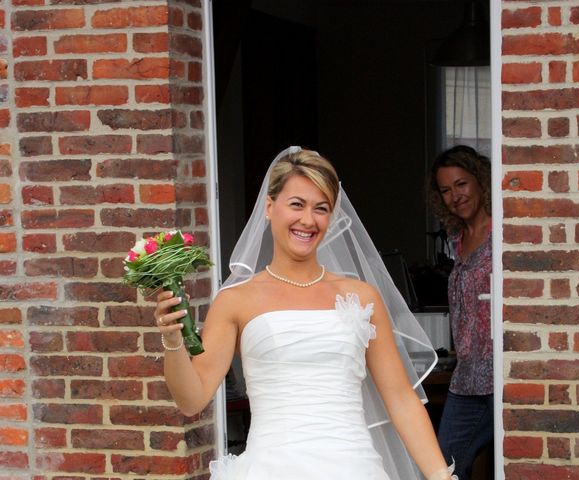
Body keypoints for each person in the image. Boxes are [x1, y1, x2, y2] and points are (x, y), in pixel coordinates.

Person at [154, 147, 457, 480]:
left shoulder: (360, 296)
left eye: (321, 208)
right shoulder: (236, 300)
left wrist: (441, 476)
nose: (308, 220)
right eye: (296, 204)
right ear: (270, 208)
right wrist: (172, 341)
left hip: (354, 468)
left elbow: (401, 399)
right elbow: (192, 399)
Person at [428, 145, 493, 480]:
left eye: (461, 184)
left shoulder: (505, 232)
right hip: (466, 380)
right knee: (443, 468)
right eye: (446, 190)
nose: (455, 196)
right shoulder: (456, 237)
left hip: (501, 376)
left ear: (480, 180)